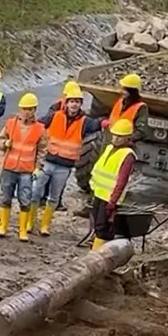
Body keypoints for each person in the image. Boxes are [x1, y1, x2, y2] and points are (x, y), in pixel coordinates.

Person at [31, 83, 102, 236]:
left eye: (77, 101)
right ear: (66, 102)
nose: (74, 104)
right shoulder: (55, 115)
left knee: (54, 198)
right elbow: (37, 124)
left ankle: (45, 226)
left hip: (64, 167)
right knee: (36, 192)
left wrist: (109, 122)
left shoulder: (85, 121)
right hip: (47, 162)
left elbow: (98, 124)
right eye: (72, 101)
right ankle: (30, 222)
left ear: (80, 104)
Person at [0, 93, 47, 242]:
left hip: (26, 170)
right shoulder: (11, 124)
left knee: (25, 200)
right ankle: (3, 226)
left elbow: (42, 150)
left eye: (30, 109)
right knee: (5, 198)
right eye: (25, 109)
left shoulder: (40, 129)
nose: (27, 112)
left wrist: (38, 167)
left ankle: (22, 230)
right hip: (9, 166)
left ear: (35, 110)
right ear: (20, 109)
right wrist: (5, 144)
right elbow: (0, 140)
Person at [89, 120, 137, 250]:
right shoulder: (109, 148)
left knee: (102, 227)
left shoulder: (128, 155)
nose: (115, 138)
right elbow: (99, 168)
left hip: (109, 198)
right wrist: (92, 187)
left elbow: (122, 181)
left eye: (120, 136)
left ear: (127, 138)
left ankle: (96, 255)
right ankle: (96, 251)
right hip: (99, 193)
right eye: (114, 135)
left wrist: (113, 201)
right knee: (97, 224)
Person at [108, 73, 149, 141]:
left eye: (125, 90)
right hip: (112, 140)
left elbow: (141, 132)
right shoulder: (120, 101)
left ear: (132, 91)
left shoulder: (141, 107)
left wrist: (125, 140)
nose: (121, 91)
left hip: (124, 143)